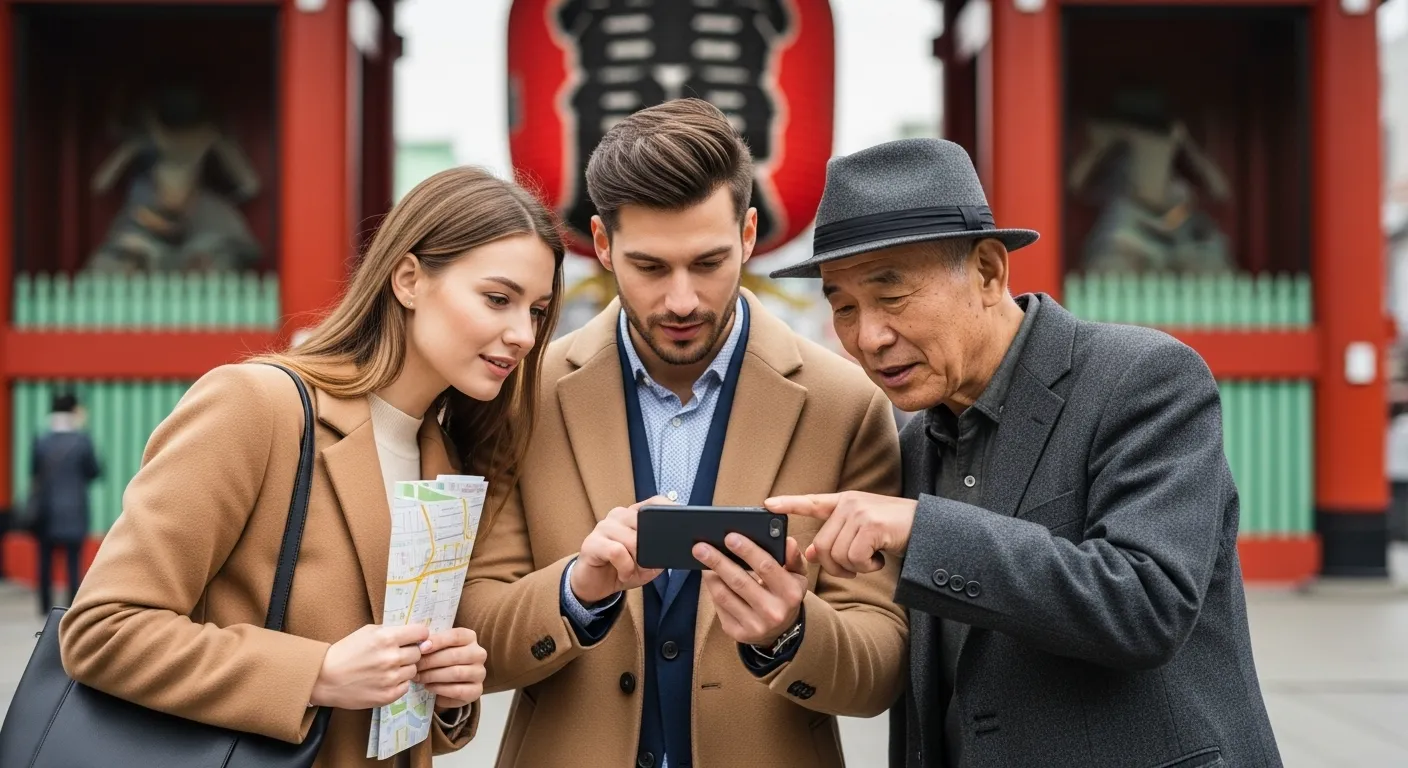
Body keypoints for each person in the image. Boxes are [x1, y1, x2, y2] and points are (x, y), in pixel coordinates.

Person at [766, 138, 1282, 767]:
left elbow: (1148, 605)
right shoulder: (911, 445)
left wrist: (925, 530)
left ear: (988, 270)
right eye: (843, 306)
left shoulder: (1143, 378)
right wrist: (787, 619)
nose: (868, 337)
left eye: (892, 296)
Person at [59, 166, 566, 768]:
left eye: (536, 311)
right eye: (498, 299)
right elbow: (103, 629)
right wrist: (317, 673)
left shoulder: (445, 459)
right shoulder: (258, 407)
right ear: (408, 278)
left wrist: (446, 688)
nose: (523, 335)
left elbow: (388, 695)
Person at [461, 98, 907, 768]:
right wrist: (576, 588)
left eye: (707, 263)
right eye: (649, 267)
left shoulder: (845, 404)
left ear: (749, 235)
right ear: (603, 245)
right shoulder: (524, 394)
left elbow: (882, 667)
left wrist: (792, 631)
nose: (680, 301)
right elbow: (471, 638)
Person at [30, 392, 101, 614]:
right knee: (73, 562)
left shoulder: (41, 441)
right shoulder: (82, 441)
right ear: (73, 411)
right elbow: (94, 471)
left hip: (46, 511)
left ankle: (44, 607)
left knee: (45, 561)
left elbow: (33, 473)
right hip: (74, 510)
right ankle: (70, 607)